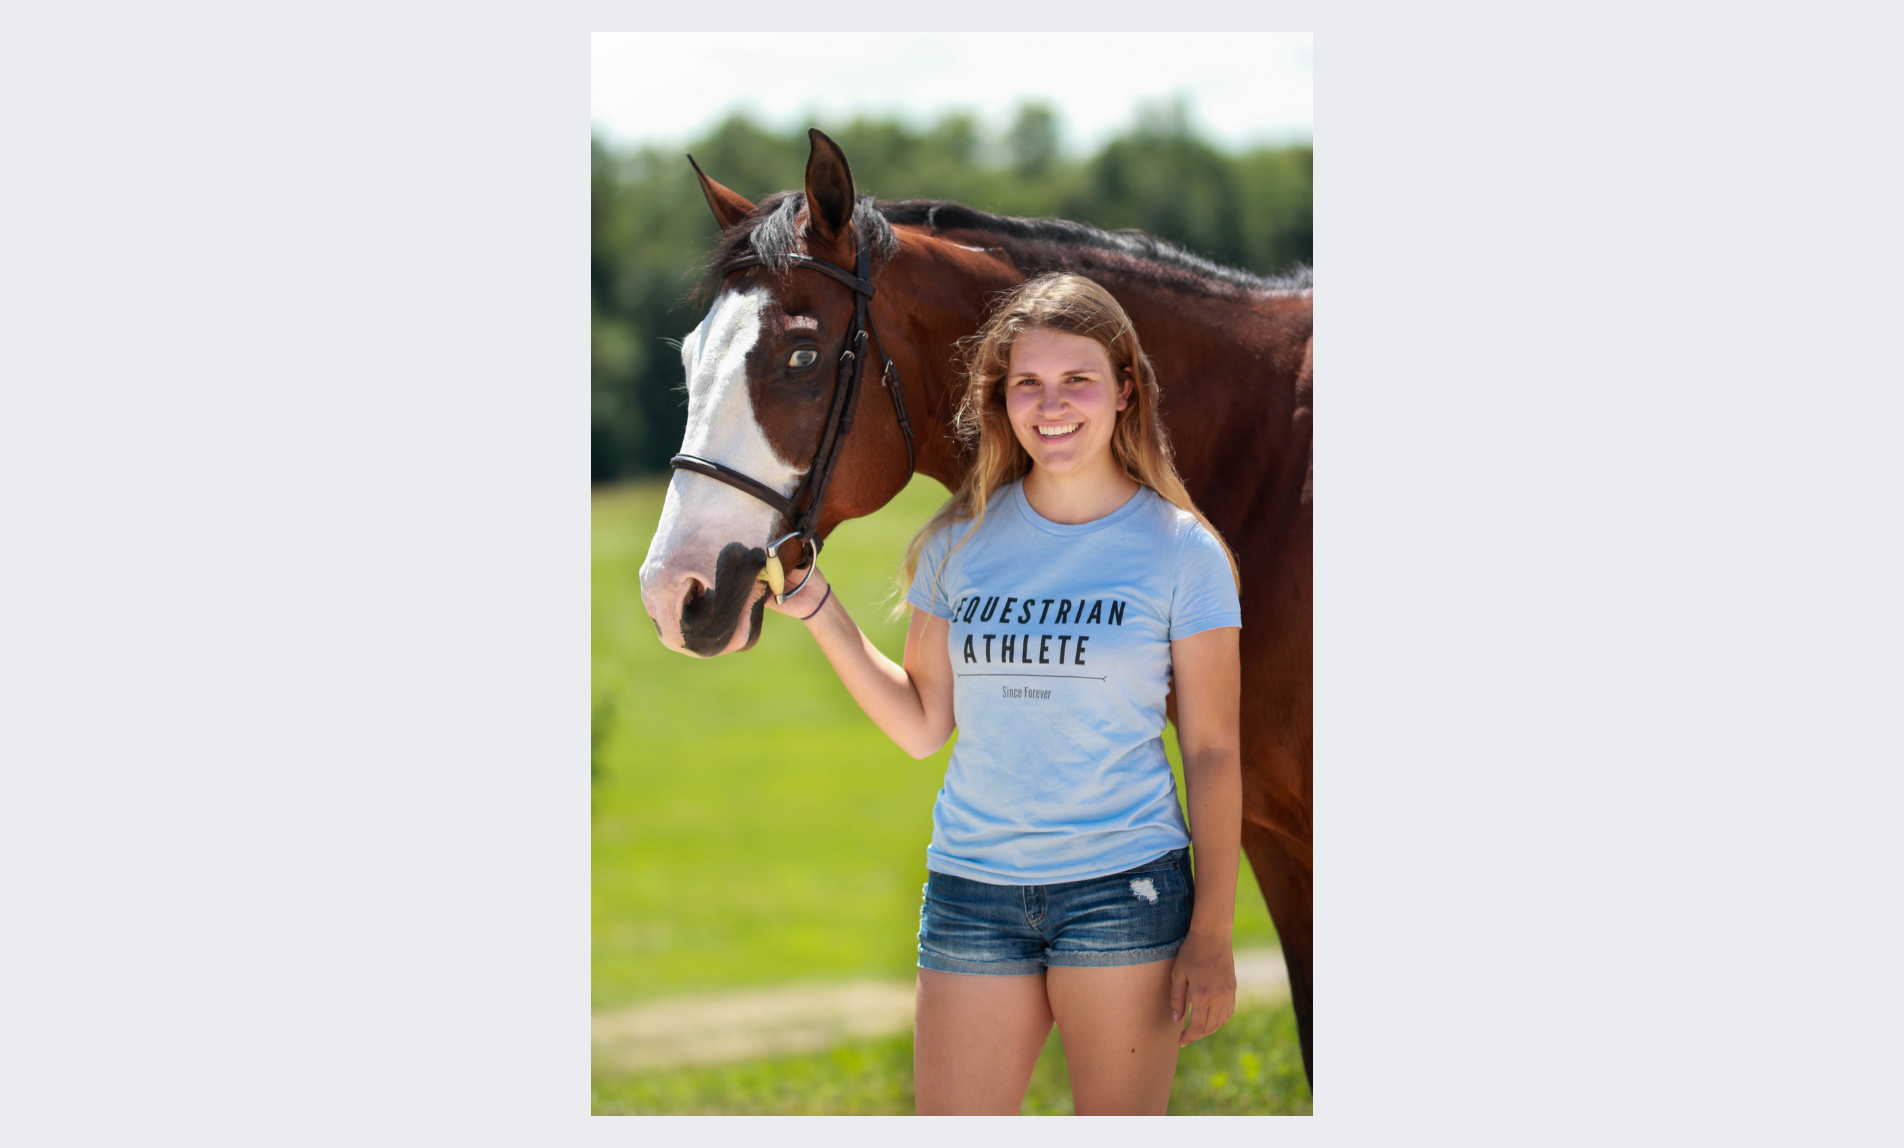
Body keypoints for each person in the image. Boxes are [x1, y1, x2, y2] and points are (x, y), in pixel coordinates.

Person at [764, 272, 1242, 1115]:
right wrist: (817, 608)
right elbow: (921, 725)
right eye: (1028, 382)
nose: (1051, 404)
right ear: (1002, 398)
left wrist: (1211, 932)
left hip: (1121, 892)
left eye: (1077, 380)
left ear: (1125, 390)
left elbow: (1210, 750)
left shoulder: (1182, 552)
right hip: (971, 893)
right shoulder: (961, 539)